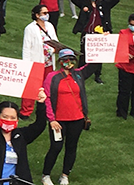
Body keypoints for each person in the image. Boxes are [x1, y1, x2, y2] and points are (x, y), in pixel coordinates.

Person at [41, 48, 99, 185]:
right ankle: (46, 175)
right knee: (56, 147)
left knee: (71, 147)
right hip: (58, 121)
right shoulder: (52, 77)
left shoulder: (79, 74)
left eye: (71, 59)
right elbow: (47, 98)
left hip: (77, 119)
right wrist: (51, 119)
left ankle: (65, 175)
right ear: (60, 61)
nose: (68, 62)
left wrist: (101, 42)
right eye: (65, 59)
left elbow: (95, 64)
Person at [0, 85, 47, 185]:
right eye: (5, 117)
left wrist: (41, 103)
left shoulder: (22, 136)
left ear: (17, 119)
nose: (8, 120)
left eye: (12, 118)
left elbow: (40, 125)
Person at [71, 0, 119, 84]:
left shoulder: (104, 4)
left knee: (99, 55)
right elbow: (74, 0)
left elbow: (116, 0)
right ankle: (80, 73)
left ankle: (97, 75)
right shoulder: (85, 3)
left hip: (99, 34)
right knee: (83, 54)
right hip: (87, 33)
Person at [20, 5, 57, 119]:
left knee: (47, 87)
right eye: (44, 13)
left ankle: (45, 110)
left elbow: (55, 40)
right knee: (31, 88)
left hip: (49, 62)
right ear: (37, 15)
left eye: (47, 12)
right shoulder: (30, 28)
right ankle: (25, 111)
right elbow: (26, 47)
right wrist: (26, 64)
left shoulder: (50, 26)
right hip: (36, 62)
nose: (47, 15)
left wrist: (56, 49)